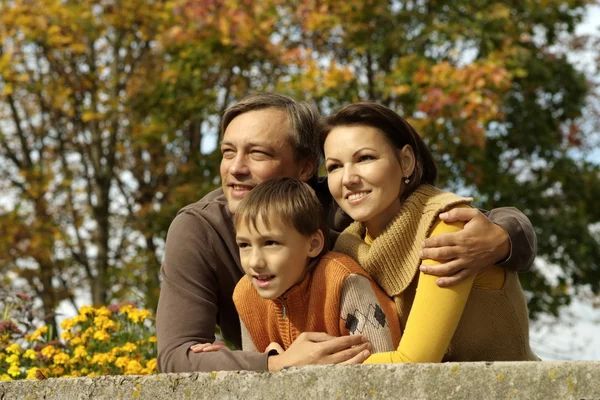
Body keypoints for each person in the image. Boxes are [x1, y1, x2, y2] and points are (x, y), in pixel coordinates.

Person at [156, 93, 537, 373]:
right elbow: (176, 355)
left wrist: (503, 237)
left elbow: (456, 216)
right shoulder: (198, 229)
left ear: (306, 168)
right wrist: (276, 363)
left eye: (259, 154)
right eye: (227, 152)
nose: (236, 169)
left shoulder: (342, 201)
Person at [322, 102, 538, 362]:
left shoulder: (450, 228)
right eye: (334, 166)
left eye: (365, 158)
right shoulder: (347, 246)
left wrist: (313, 367)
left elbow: (414, 362)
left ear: (406, 161)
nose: (348, 178)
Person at [231, 177, 401, 355]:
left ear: (312, 244)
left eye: (271, 243)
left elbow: (380, 368)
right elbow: (254, 376)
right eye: (244, 245)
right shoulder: (246, 294)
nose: (254, 262)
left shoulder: (345, 284)